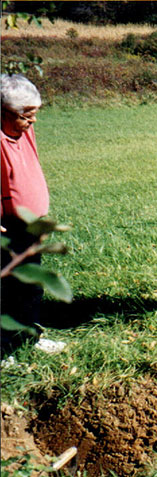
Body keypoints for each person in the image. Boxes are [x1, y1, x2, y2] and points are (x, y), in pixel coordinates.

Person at [1, 74, 65, 353]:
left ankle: (31, 336)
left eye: (35, 114)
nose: (32, 122)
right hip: (7, 229)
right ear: (4, 112)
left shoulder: (24, 131)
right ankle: (3, 350)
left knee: (31, 285)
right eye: (26, 115)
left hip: (31, 226)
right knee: (8, 290)